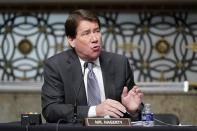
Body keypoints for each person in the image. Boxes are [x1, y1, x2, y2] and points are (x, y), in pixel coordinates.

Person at [41, 9, 143, 123]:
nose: (95, 39)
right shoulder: (56, 66)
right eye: (86, 33)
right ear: (71, 40)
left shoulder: (119, 63)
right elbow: (51, 110)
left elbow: (137, 110)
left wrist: (132, 110)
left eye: (97, 31)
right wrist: (94, 111)